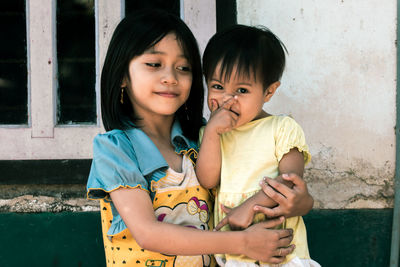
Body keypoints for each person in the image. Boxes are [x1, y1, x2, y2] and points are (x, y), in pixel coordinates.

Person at [87, 9, 308, 267]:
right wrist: (243, 243)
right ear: (122, 75)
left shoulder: (202, 138)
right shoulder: (116, 149)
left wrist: (301, 203)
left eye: (183, 67)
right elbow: (148, 233)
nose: (170, 77)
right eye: (154, 64)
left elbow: (255, 185)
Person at [196, 25, 320, 267]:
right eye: (218, 87)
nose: (226, 99)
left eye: (242, 90)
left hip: (281, 253)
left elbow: (291, 180)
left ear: (269, 91)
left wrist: (249, 207)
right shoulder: (210, 134)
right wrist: (211, 132)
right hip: (235, 255)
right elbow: (208, 180)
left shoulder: (281, 128)